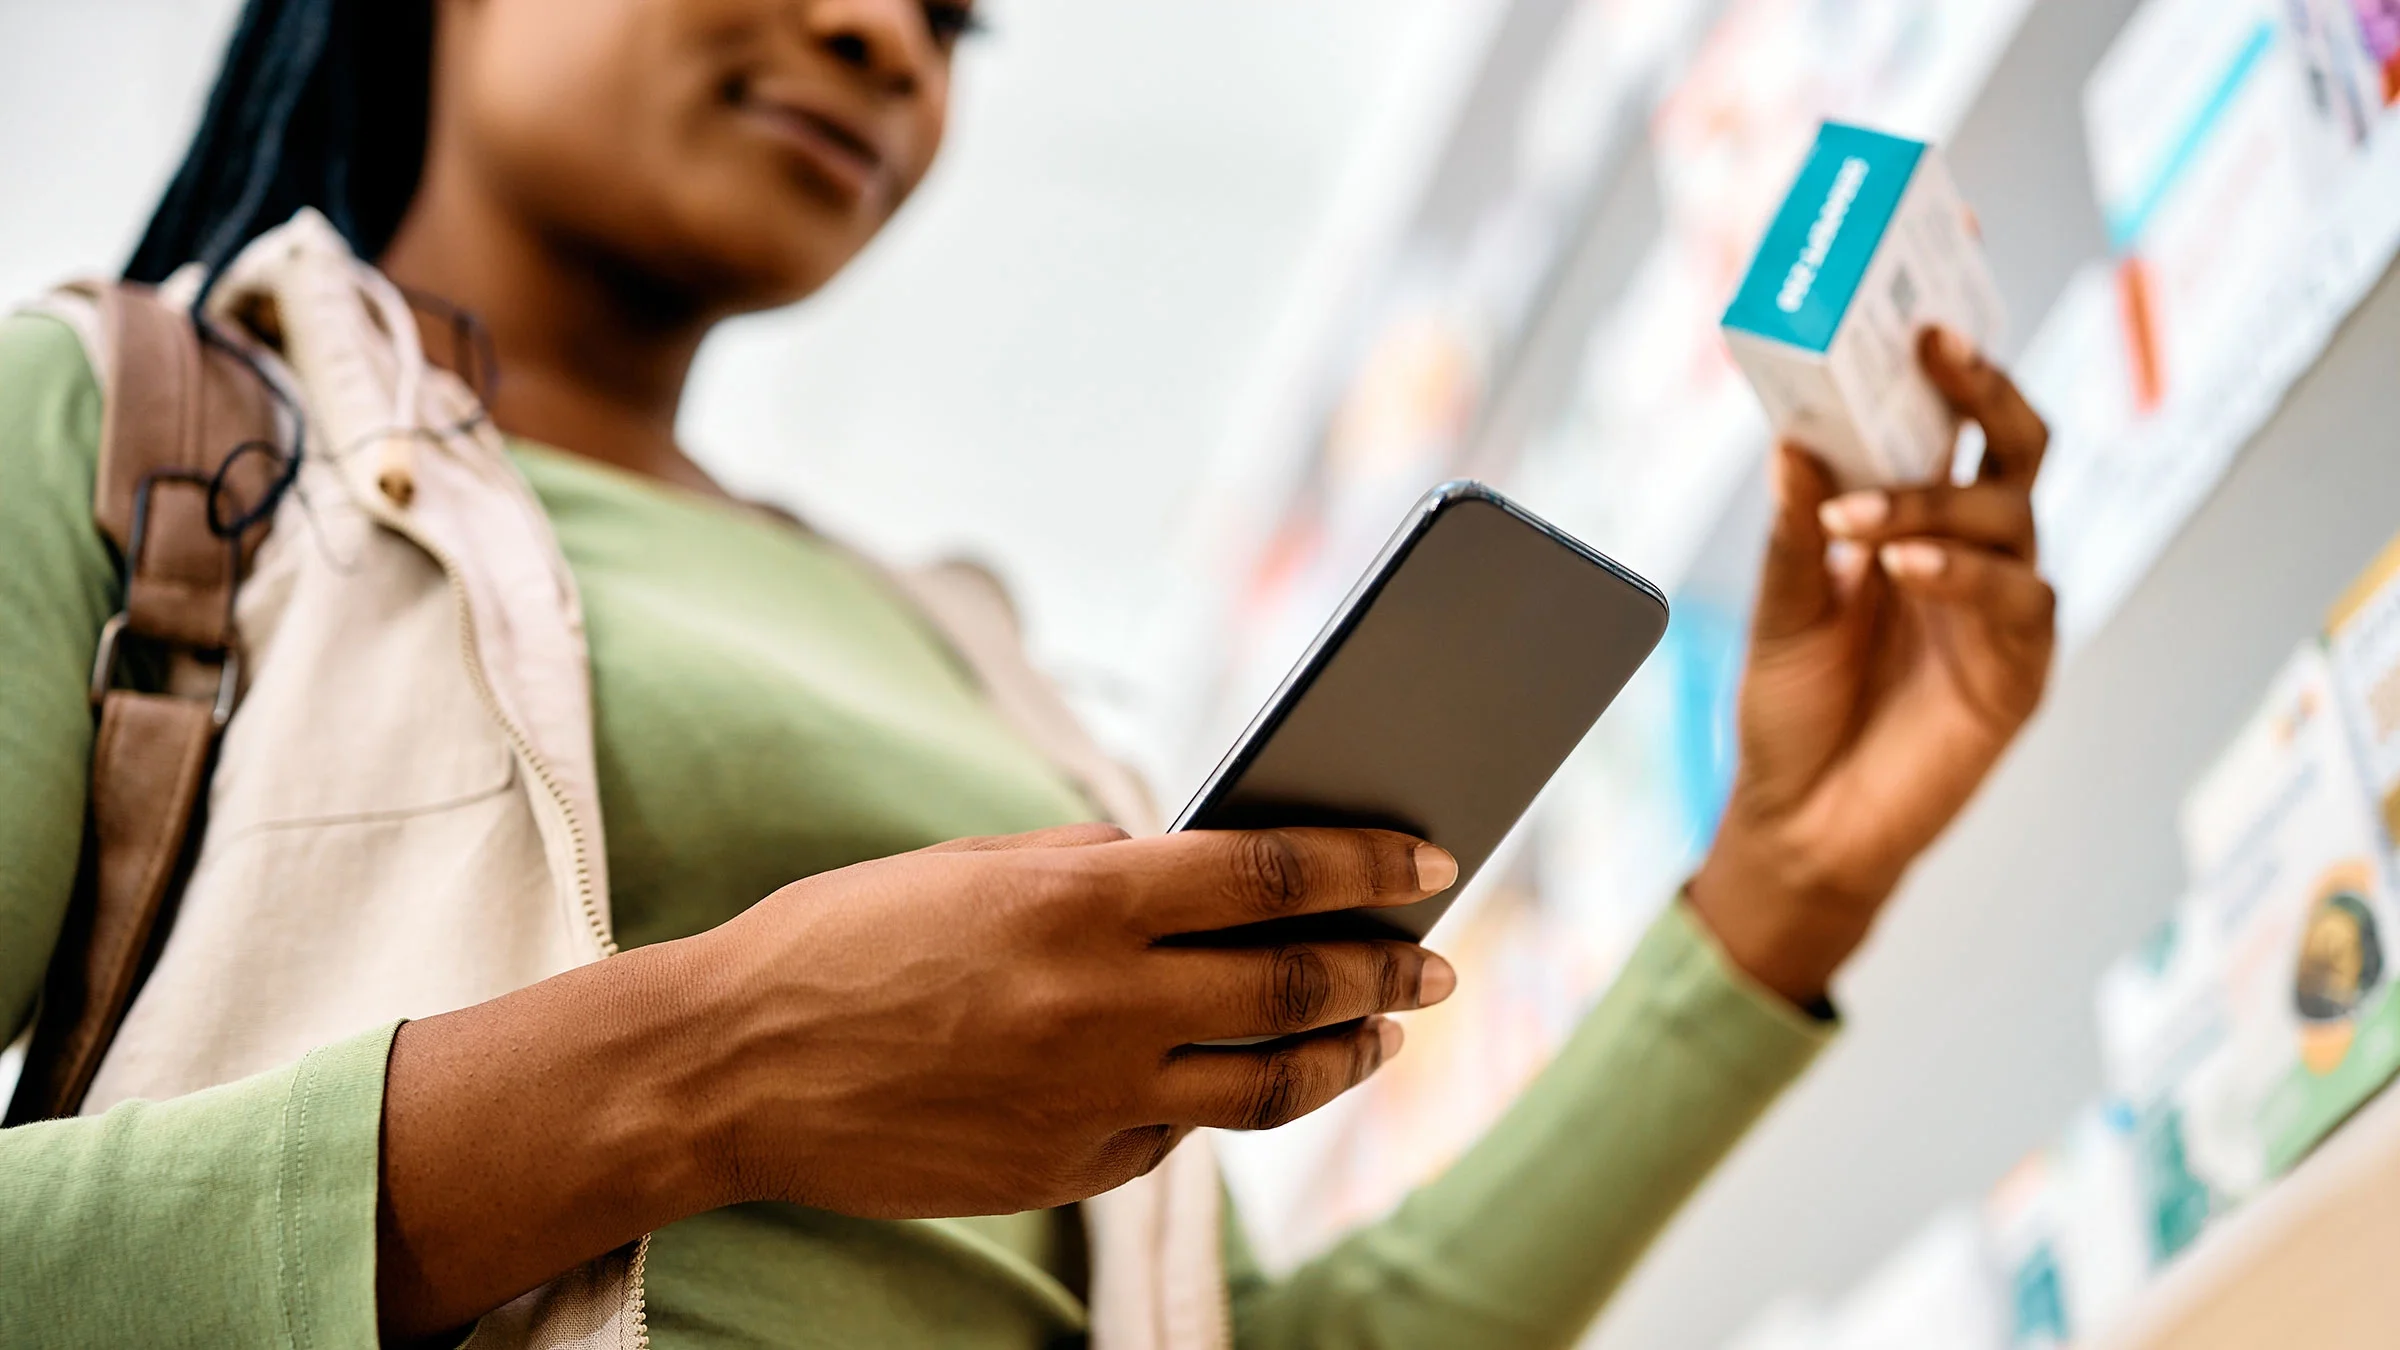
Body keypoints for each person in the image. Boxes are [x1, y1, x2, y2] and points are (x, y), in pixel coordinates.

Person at [0, 0, 2057, 1346]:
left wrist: (1786, 881)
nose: (883, 35)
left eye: (951, 13)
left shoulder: (979, 663)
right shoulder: (122, 428)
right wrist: (710, 1071)